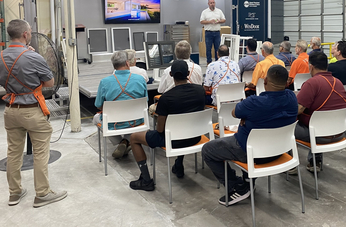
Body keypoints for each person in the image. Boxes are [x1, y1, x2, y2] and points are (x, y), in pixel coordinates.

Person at [202, 65, 297, 206]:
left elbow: (234, 113)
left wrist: (246, 118)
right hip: (279, 151)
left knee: (208, 150)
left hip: (250, 152)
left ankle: (237, 186)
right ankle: (247, 181)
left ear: (264, 81)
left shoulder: (253, 103)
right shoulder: (292, 98)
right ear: (288, 82)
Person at [0, 19, 67, 207]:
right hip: (32, 111)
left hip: (10, 111)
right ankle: (42, 193)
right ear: (25, 35)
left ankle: (15, 193)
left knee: (13, 152)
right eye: (30, 31)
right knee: (40, 153)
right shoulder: (33, 57)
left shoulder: (1, 57)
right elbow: (49, 83)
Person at [128, 60, 205, 191]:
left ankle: (146, 180)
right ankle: (178, 164)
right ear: (188, 73)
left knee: (134, 138)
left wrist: (157, 116)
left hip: (173, 141)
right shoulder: (200, 91)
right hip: (195, 137)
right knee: (181, 129)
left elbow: (160, 129)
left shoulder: (166, 98)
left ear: (170, 74)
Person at [294, 51, 346, 172]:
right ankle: (315, 161)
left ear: (311, 66)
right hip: (340, 133)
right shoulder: (338, 82)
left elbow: (298, 109)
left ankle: (290, 165)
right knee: (321, 119)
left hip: (318, 136)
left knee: (286, 126)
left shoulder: (311, 83)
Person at [93, 51, 148, 159]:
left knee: (96, 118)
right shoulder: (140, 79)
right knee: (131, 121)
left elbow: (98, 105)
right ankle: (127, 141)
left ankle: (121, 142)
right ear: (127, 63)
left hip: (114, 124)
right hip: (138, 122)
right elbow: (145, 102)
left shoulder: (104, 82)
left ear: (114, 65)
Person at [200, 0, 226, 64]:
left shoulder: (219, 11)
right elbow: (201, 21)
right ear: (208, 4)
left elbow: (224, 20)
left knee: (217, 48)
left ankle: (217, 61)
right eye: (211, 3)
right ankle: (209, 62)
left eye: (213, 2)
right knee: (208, 48)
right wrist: (209, 21)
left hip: (217, 32)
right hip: (208, 33)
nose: (212, 4)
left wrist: (219, 21)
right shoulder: (204, 12)